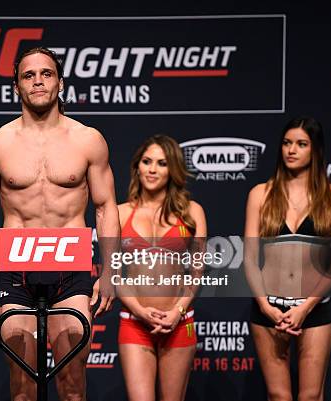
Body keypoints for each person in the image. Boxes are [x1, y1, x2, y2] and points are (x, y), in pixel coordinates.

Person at [0, 47, 119, 401]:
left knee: (71, 385)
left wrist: (111, 272)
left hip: (71, 267)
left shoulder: (88, 140)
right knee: (21, 388)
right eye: (29, 75)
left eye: (46, 73)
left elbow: (105, 207)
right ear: (16, 86)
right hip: (16, 266)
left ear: (60, 82)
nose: (38, 81)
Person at [244, 117, 331, 401]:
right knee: (278, 395)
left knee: (311, 396)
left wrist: (305, 307)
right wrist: (265, 306)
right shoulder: (260, 194)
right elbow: (251, 259)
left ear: (315, 150)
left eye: (301, 144)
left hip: (313, 309)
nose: (291, 150)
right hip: (269, 311)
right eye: (287, 143)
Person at [117, 135, 206, 401]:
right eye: (147, 162)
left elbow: (197, 272)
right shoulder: (120, 213)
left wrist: (178, 311)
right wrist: (139, 310)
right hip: (134, 323)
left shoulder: (192, 212)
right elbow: (112, 273)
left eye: (161, 163)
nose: (153, 169)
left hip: (180, 323)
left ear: (173, 169)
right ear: (137, 167)